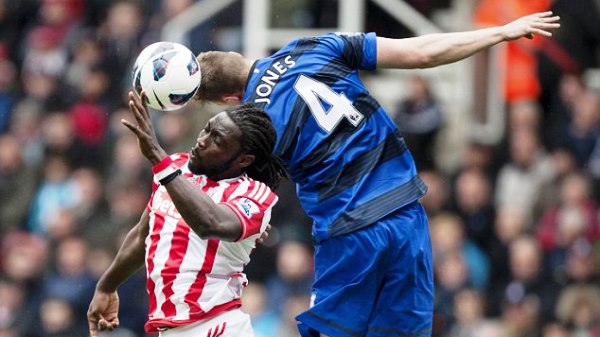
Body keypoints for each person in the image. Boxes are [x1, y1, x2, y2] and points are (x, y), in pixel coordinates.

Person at [194, 11, 560, 337]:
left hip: (349, 230)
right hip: (404, 212)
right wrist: (500, 32)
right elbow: (422, 53)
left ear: (229, 100)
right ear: (241, 57)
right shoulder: (313, 46)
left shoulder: (253, 123)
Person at [87, 92, 288, 337]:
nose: (202, 140)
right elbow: (144, 235)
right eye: (206, 130)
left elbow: (209, 223)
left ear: (244, 159)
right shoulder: (176, 170)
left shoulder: (253, 195)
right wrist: (107, 286)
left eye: (217, 140)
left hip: (218, 326)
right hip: (170, 329)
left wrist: (159, 160)